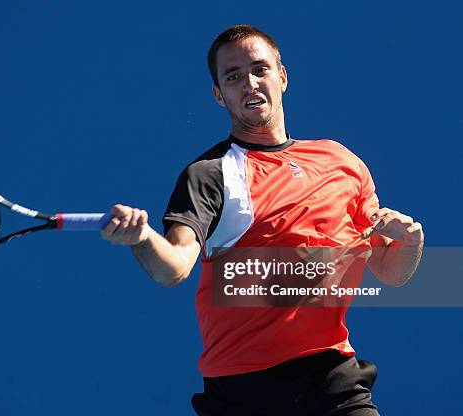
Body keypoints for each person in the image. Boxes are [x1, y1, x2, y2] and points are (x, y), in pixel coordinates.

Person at [101, 25, 424, 416]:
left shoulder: (342, 162)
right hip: (242, 392)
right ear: (219, 95)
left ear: (282, 77)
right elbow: (173, 268)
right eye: (233, 77)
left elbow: (391, 272)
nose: (249, 83)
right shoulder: (211, 174)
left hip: (333, 380)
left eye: (260, 69)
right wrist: (143, 238)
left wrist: (409, 243)